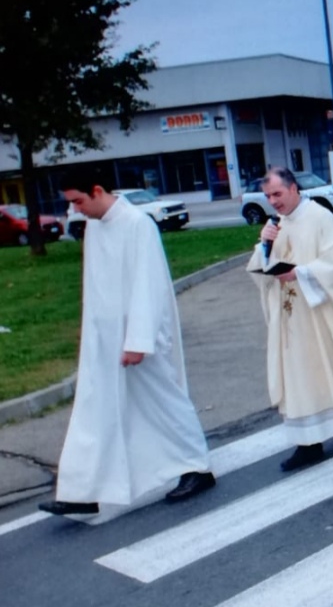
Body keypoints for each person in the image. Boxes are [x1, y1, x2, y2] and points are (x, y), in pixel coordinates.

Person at [40, 170, 215, 515]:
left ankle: (197, 467)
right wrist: (93, 334)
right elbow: (95, 287)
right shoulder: (94, 227)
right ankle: (83, 490)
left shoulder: (137, 224)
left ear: (98, 190)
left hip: (139, 338)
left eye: (78, 201)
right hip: (105, 339)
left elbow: (147, 286)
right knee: (94, 409)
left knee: (164, 403)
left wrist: (138, 340)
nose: (75, 210)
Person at [248, 168, 333, 472]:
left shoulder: (320, 217)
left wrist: (301, 273)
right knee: (300, 377)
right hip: (293, 317)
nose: (273, 202)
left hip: (323, 312)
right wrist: (264, 246)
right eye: (268, 197)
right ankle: (309, 442)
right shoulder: (275, 225)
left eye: (277, 194)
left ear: (294, 188)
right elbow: (261, 266)